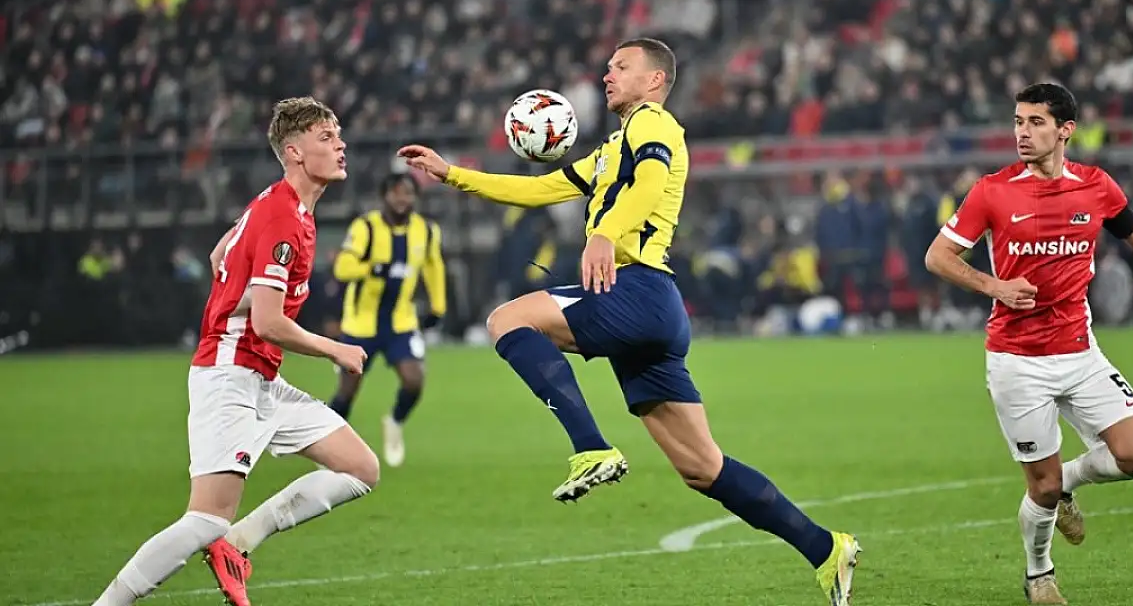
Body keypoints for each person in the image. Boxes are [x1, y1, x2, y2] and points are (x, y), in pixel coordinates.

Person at [399, 38, 862, 605]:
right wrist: (452, 174)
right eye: (608, 67)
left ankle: (591, 447)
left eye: (621, 66)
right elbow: (539, 190)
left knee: (507, 320)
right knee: (703, 468)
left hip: (634, 288)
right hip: (655, 309)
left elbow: (649, 185)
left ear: (655, 81)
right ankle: (825, 548)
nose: (607, 75)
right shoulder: (613, 148)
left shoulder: (654, 124)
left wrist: (603, 234)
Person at [91, 98, 377, 606]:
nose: (341, 145)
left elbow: (220, 254)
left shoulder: (284, 206)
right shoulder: (282, 218)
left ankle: (238, 545)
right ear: (294, 151)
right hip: (229, 376)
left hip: (262, 378)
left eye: (338, 135)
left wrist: (233, 294)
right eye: (327, 137)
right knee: (205, 519)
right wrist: (335, 349)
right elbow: (268, 323)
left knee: (360, 468)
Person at [924, 83, 1133, 605]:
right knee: (1041, 489)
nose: (1022, 133)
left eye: (1035, 122)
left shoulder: (1095, 186)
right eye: (1018, 121)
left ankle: (1069, 479)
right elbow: (938, 256)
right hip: (1017, 362)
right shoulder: (993, 191)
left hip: (1080, 353)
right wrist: (995, 286)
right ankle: (1039, 575)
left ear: (1066, 130)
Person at [328, 172, 447, 467]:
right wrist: (371, 269)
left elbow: (433, 266)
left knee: (414, 381)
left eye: (408, 193)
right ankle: (327, 446)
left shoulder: (426, 230)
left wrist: (437, 307)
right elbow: (342, 267)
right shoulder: (366, 227)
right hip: (360, 324)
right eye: (396, 192)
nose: (402, 199)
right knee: (347, 391)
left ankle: (394, 422)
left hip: (401, 323)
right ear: (384, 196)